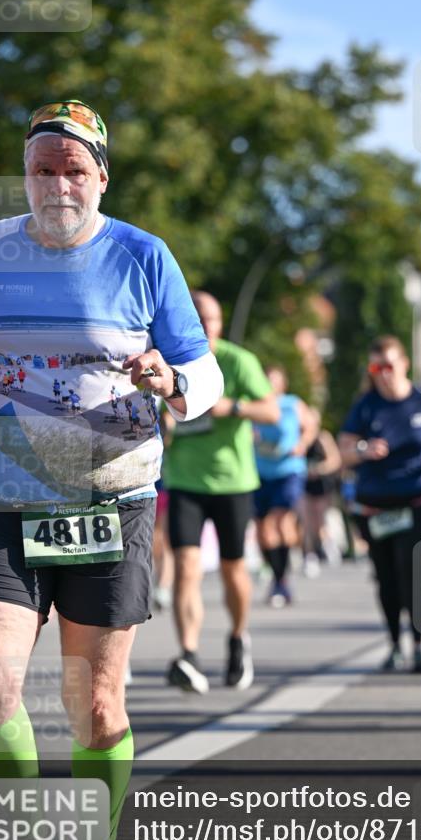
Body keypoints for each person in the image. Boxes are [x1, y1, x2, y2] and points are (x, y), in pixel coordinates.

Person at [0, 99, 223, 840]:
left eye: (74, 168)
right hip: (5, 496)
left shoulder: (141, 254)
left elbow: (203, 369)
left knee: (95, 702)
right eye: (42, 168)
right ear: (24, 175)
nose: (57, 183)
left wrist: (172, 383)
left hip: (113, 497)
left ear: (100, 175)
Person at [163, 291, 279, 693]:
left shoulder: (237, 361)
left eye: (210, 319)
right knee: (186, 568)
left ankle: (237, 638)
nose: (204, 325)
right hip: (184, 482)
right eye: (196, 318)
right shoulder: (168, 360)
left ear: (220, 323)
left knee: (233, 568)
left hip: (233, 482)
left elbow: (271, 410)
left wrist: (230, 407)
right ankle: (189, 655)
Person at [339, 336, 421, 674]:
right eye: (376, 367)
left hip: (419, 497)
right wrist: (362, 450)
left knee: (412, 568)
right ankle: (394, 645)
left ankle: (419, 645)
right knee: (386, 575)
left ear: (404, 364)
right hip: (376, 504)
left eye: (389, 366)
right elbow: (343, 449)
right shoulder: (365, 405)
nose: (383, 374)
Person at [253, 366, 317, 605]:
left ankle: (282, 581)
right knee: (263, 532)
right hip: (259, 472)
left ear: (283, 384)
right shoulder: (254, 405)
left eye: (274, 380)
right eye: (266, 380)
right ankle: (276, 576)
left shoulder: (292, 404)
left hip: (288, 470)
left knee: (280, 521)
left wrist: (302, 444)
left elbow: (311, 426)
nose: (269, 384)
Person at [301, 407, 343, 576]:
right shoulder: (299, 437)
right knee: (305, 521)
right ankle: (309, 555)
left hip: (321, 484)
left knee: (319, 520)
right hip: (303, 483)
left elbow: (334, 459)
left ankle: (327, 545)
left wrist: (318, 469)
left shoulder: (323, 437)